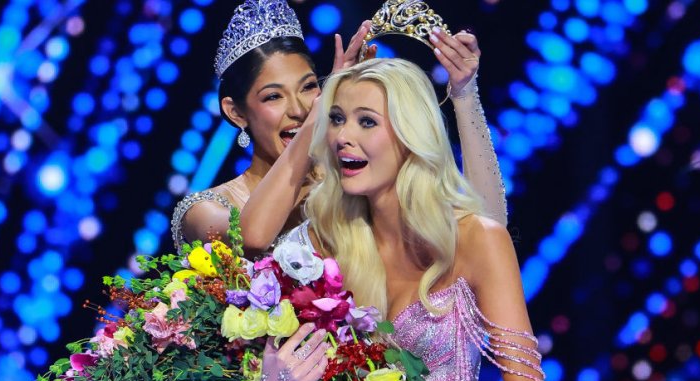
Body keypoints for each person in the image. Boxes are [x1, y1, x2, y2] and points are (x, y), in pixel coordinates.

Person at [255, 57, 547, 381]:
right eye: (336, 119)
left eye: (367, 122)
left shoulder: (477, 239)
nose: (343, 137)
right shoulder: (317, 245)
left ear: (411, 135)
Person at [171, 0, 507, 258]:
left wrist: (465, 94)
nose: (301, 110)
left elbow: (487, 228)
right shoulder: (206, 210)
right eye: (274, 96)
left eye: (308, 88)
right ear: (235, 112)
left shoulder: (355, 185)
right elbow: (254, 239)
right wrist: (321, 116)